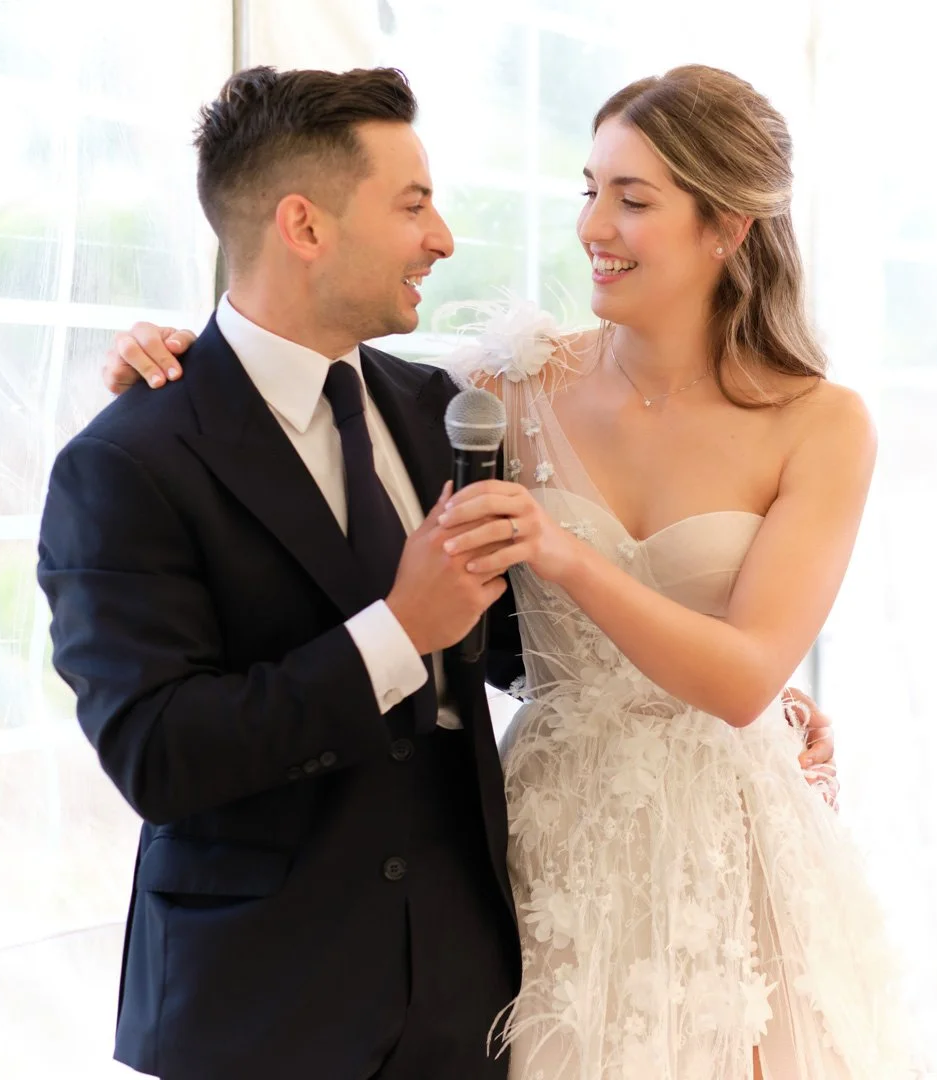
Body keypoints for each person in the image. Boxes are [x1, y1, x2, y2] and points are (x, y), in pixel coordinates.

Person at [97, 66, 848, 1080]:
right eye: (590, 189)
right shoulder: (499, 388)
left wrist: (741, 686)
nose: (592, 224)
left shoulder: (821, 422)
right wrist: (175, 348)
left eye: (631, 199)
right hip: (540, 842)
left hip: (725, 832)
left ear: (728, 226)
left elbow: (721, 664)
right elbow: (291, 364)